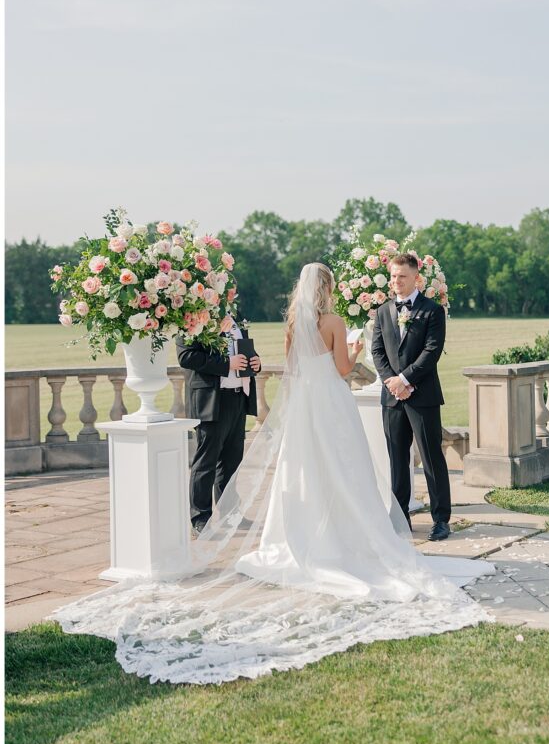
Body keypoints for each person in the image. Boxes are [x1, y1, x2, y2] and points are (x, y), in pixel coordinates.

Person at [51, 263, 494, 686]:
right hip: (331, 405)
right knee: (343, 471)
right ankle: (346, 536)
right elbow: (342, 371)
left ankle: (294, 539)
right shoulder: (335, 323)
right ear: (326, 289)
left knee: (301, 473)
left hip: (303, 407)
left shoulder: (291, 326)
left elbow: (294, 370)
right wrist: (354, 351)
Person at [371, 253, 452, 540]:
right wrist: (392, 383)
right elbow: (377, 351)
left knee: (432, 458)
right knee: (396, 458)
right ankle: (399, 517)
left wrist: (406, 379)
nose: (396, 282)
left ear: (415, 277)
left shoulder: (432, 311)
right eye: (393, 276)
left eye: (401, 276)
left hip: (422, 396)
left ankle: (441, 519)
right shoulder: (382, 312)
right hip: (392, 398)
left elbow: (432, 351)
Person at [176, 319, 261, 535]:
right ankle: (200, 519)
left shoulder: (237, 317)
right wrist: (227, 364)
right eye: (227, 284)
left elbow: (242, 348)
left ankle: (230, 514)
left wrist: (255, 361)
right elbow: (186, 356)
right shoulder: (196, 315)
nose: (232, 288)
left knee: (231, 463)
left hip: (238, 398)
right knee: (206, 462)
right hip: (211, 401)